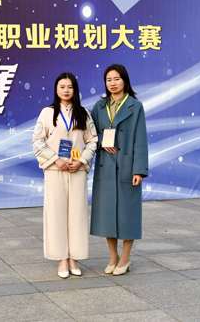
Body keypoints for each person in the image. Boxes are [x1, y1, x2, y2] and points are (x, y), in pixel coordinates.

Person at [32, 72, 98, 278]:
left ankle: (73, 258)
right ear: (56, 89)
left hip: (77, 170)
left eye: (70, 87)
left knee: (77, 214)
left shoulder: (84, 114)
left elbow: (93, 140)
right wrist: (56, 160)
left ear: (75, 90)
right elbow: (37, 141)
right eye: (62, 86)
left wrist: (81, 161)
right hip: (55, 170)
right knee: (56, 214)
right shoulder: (47, 113)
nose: (66, 90)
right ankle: (61, 259)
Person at [90, 64, 149, 276]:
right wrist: (101, 142)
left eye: (116, 79)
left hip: (127, 167)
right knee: (107, 213)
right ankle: (113, 256)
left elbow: (140, 139)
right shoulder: (99, 106)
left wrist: (138, 170)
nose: (112, 83)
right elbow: (91, 135)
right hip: (105, 166)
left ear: (124, 80)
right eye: (109, 80)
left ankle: (125, 257)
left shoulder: (136, 106)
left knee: (127, 214)